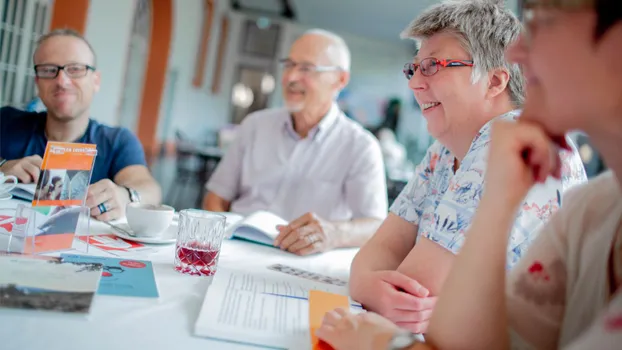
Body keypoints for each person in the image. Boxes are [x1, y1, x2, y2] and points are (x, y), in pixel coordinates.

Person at [315, 0, 622, 349]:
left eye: (546, 23)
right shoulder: (593, 207)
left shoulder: (509, 136)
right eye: (414, 68)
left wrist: (387, 342)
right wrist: (367, 285)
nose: (519, 50)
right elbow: (493, 339)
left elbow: (414, 289)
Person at [203, 28, 388, 256]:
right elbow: (216, 197)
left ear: (340, 79)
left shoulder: (360, 146)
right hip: (236, 247)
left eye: (306, 69)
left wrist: (333, 233)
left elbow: (374, 226)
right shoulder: (254, 125)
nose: (290, 78)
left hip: (303, 260)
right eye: (289, 65)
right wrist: (214, 242)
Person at [0, 29, 161, 221]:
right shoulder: (6, 122)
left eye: (75, 69)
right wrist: (2, 168)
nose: (62, 81)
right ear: (37, 82)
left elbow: (150, 190)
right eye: (49, 70)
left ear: (96, 81)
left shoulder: (117, 141)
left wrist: (126, 195)